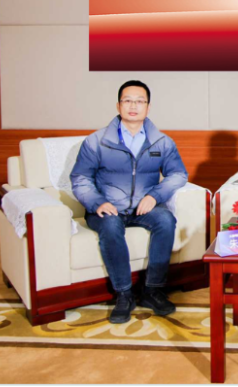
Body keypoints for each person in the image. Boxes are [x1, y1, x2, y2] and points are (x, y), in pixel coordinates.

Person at [71, 80, 188, 324]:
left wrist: (154, 196)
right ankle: (124, 294)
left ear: (148, 107)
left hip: (143, 208)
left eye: (139, 101)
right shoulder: (96, 141)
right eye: (127, 100)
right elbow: (80, 178)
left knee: (165, 220)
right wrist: (98, 202)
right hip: (107, 209)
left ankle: (152, 290)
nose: (133, 106)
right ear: (118, 105)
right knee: (111, 226)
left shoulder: (162, 142)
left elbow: (178, 174)